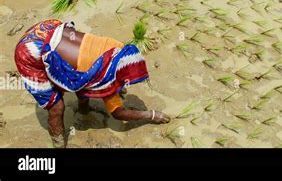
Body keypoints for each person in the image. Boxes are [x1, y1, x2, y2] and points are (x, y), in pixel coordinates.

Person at [14, 19, 170, 148]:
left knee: (82, 78)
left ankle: (84, 110)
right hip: (29, 52)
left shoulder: (117, 47)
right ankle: (58, 143)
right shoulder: (107, 75)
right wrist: (150, 115)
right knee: (57, 107)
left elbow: (84, 73)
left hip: (48, 28)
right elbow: (119, 114)